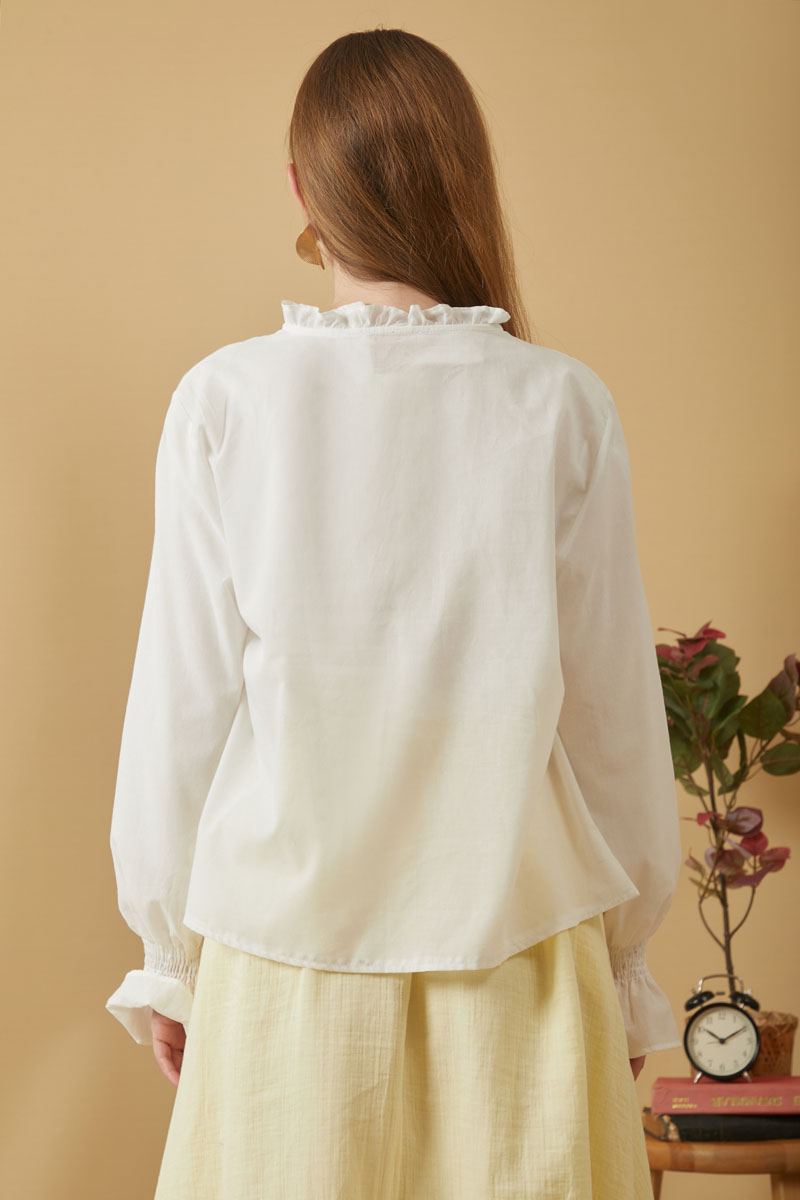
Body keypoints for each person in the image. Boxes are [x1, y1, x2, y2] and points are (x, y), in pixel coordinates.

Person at [106, 26, 682, 1200]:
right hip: (522, 964)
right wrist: (625, 972)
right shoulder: (559, 406)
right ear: (460, 175)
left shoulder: (224, 404)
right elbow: (612, 723)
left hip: (282, 968)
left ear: (301, 189)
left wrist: (169, 957)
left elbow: (180, 709)